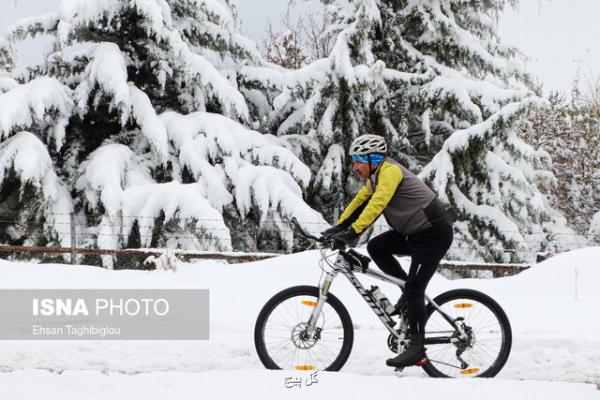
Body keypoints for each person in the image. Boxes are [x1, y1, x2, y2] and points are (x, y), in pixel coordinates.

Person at [321, 134, 454, 369]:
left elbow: (377, 203)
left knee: (415, 289)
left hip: (432, 234)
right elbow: (361, 200)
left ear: (373, 158)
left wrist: (352, 232)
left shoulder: (390, 171)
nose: (355, 167)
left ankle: (416, 349)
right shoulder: (376, 176)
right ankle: (406, 291)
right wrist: (339, 227)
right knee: (376, 247)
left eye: (358, 161)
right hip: (415, 233)